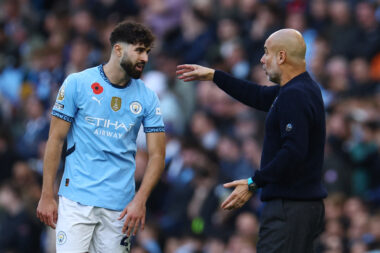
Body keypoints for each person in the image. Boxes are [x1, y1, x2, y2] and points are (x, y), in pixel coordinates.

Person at [176, 29, 327, 252]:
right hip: (297, 206)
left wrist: (253, 182)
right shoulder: (298, 89)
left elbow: (293, 151)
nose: (262, 59)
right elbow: (256, 95)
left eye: (266, 53)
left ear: (282, 57)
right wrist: (215, 76)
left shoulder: (295, 95)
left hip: (290, 207)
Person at [37, 21, 166, 253]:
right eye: (138, 50)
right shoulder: (77, 83)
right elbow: (55, 140)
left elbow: (157, 154)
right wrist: (47, 194)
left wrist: (140, 199)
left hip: (121, 207)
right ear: (118, 49)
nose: (145, 58)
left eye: (147, 52)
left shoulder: (148, 97)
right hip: (76, 199)